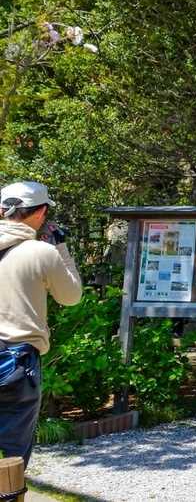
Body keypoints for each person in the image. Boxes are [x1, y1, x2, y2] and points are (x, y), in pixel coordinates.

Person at [0, 181, 82, 466]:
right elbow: (71, 296)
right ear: (42, 212)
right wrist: (60, 247)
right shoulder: (40, 252)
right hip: (16, 362)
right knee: (11, 456)